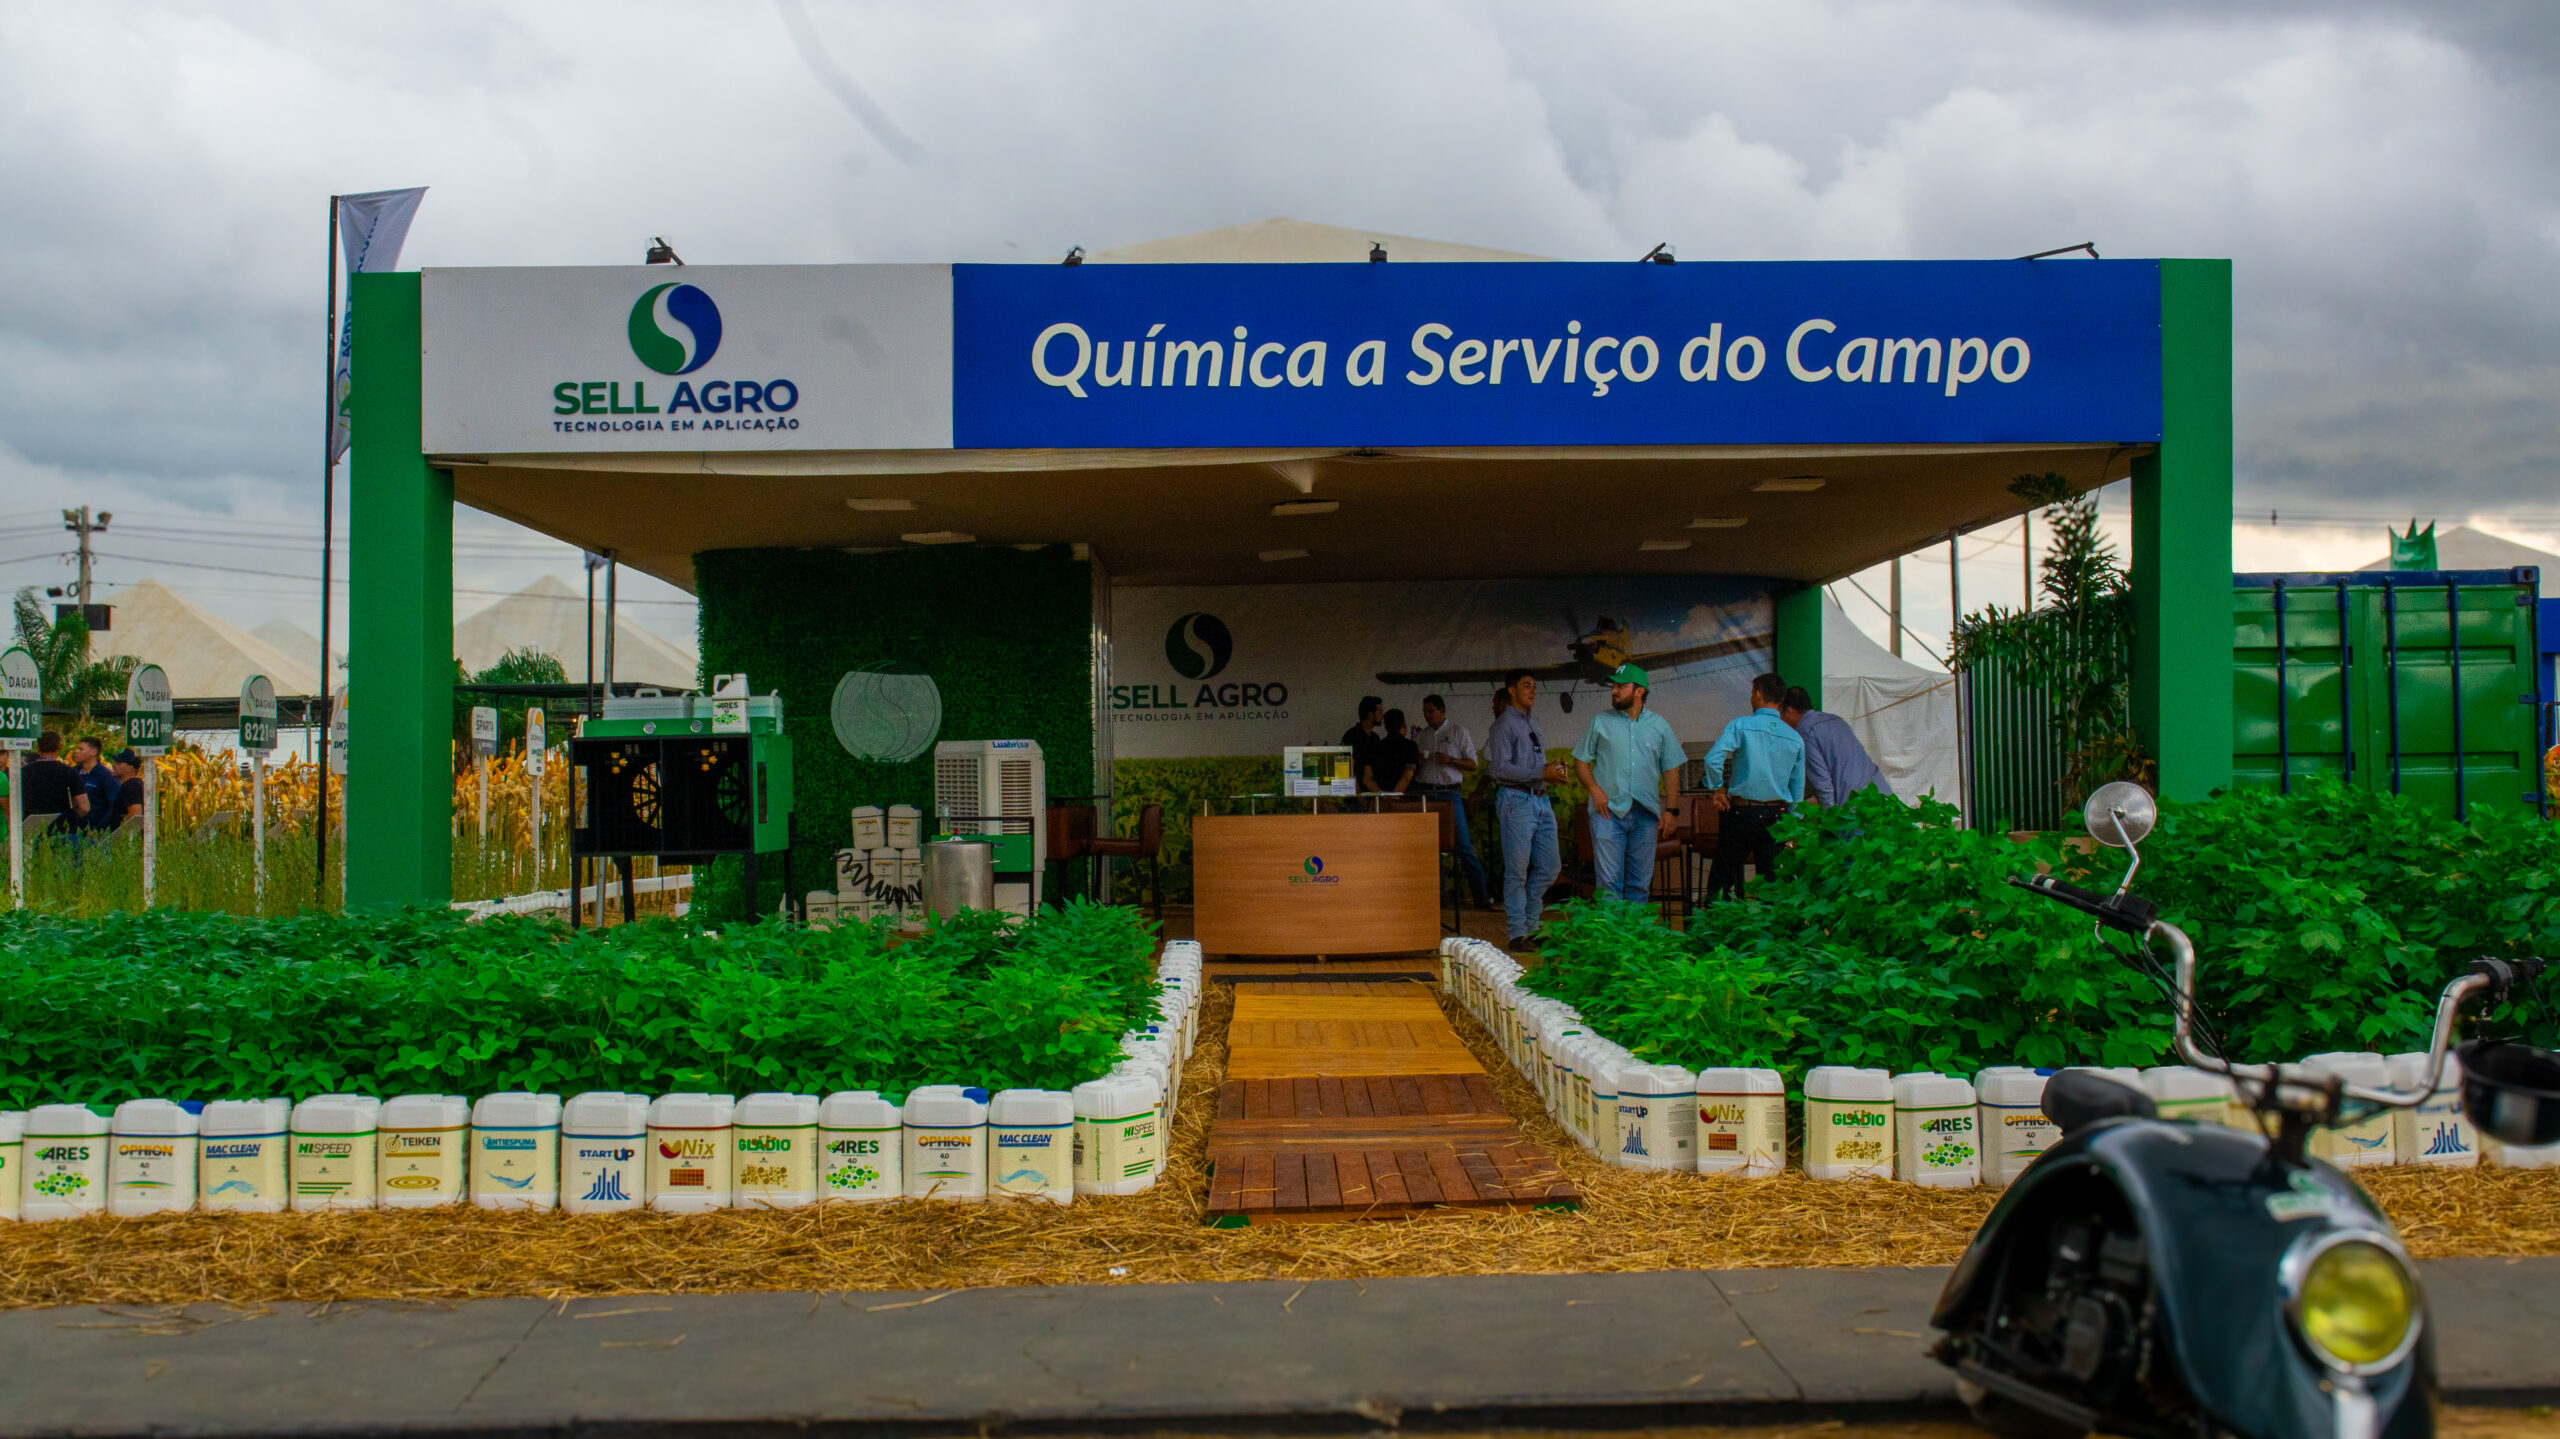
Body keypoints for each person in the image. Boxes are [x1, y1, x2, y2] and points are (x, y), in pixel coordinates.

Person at [1570, 663, 1687, 905]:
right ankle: (1612, 943)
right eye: (1613, 685)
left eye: (1621, 686)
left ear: (1639, 691)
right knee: (1609, 884)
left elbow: (1671, 769)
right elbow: (1580, 762)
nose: (1614, 690)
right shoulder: (1600, 721)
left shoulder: (1659, 725)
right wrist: (1595, 790)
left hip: (1646, 813)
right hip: (1607, 812)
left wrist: (1671, 810)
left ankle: (1634, 941)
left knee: (1639, 886)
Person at [1700, 672, 1806, 902]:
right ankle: (1769, 934)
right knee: (1773, 885)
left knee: (1722, 881)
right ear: (1781, 700)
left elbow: (1712, 759)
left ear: (1758, 694)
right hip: (1777, 816)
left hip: (1741, 813)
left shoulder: (1740, 725)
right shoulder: (1795, 738)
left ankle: (1717, 931)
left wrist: (1718, 789)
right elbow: (1797, 788)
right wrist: (1793, 822)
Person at [1486, 669, 1570, 951]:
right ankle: (1518, 933)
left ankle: (1531, 925)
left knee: (1550, 866)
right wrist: (1540, 771)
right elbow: (1498, 769)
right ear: (1511, 690)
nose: (1532, 691)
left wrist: (1554, 772)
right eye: (1526, 686)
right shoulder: (1503, 725)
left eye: (1534, 686)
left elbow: (1538, 765)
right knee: (1517, 870)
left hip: (1540, 799)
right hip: (1516, 800)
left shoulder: (1534, 723)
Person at [1410, 693, 1491, 908]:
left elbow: (1473, 764)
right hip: (1426, 792)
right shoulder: (1422, 736)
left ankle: (1480, 897)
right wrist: (1418, 762)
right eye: (1424, 711)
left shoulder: (1458, 731)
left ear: (1442, 711)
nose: (1426, 716)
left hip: (1449, 793)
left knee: (1463, 845)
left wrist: (1451, 760)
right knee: (1431, 847)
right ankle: (1439, 898)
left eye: (1430, 711)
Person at [1779, 686, 1893, 808]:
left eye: (1780, 713)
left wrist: (1830, 817)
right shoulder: (1835, 719)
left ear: (1789, 711)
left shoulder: (1805, 731)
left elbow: (1823, 783)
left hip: (1855, 805)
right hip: (1880, 792)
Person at [17, 729, 79, 831]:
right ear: (60, 747)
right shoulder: (69, 772)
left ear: (38, 748)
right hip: (62, 828)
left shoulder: (23, 772)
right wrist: (70, 816)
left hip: (31, 827)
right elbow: (83, 805)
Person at [1365, 708, 1420, 796]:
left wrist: (1382, 794)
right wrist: (1394, 795)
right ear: (1403, 725)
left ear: (1386, 727)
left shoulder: (1375, 746)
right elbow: (1407, 777)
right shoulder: (1411, 746)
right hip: (1405, 800)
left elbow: (1367, 779)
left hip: (1380, 802)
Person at [71, 736, 117, 831]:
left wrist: (100, 829)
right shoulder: (73, 772)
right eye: (76, 748)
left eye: (81, 749)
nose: (76, 751)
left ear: (93, 752)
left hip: (95, 833)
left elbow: (113, 806)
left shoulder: (106, 776)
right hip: (73, 831)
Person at [1339, 696, 1383, 795]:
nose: (1382, 715)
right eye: (1380, 712)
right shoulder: (1352, 736)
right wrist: (1358, 797)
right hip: (1353, 796)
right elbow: (1347, 771)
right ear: (1371, 715)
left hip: (1370, 793)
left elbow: (1369, 772)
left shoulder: (1374, 738)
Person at [103, 750, 145, 832]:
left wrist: (119, 835)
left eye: (118, 763)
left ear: (129, 768)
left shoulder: (131, 785)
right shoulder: (134, 784)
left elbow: (135, 814)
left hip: (126, 841)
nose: (113, 764)